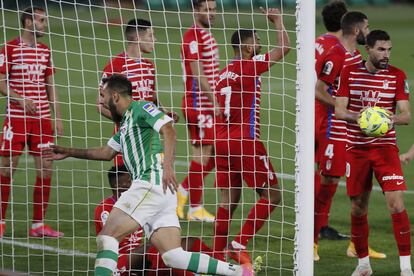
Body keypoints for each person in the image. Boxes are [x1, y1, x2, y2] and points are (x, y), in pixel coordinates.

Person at [48, 74, 253, 276]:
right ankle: (239, 272)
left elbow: (169, 130)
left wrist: (168, 167)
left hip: (149, 184)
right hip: (161, 193)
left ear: (116, 96)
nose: (101, 101)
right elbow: (107, 152)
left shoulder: (141, 108)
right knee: (173, 256)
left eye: (104, 96)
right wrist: (68, 151)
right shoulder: (127, 124)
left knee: (107, 237)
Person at [213, 7, 290, 265]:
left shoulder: (222, 73)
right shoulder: (250, 65)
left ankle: (215, 255)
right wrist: (278, 21)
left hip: (221, 142)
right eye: (256, 41)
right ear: (247, 48)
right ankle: (239, 243)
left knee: (227, 202)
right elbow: (284, 48)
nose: (260, 44)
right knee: (273, 195)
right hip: (244, 142)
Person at [335, 30, 413, 276]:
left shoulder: (397, 76)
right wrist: (356, 117)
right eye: (381, 49)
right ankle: (363, 265)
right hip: (356, 149)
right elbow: (339, 111)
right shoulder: (349, 73)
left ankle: (406, 268)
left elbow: (406, 114)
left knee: (396, 204)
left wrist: (392, 119)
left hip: (385, 148)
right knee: (358, 207)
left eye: (389, 49)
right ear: (367, 49)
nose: (386, 54)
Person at [313, 11, 376, 261]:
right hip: (334, 128)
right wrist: (343, 110)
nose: (369, 31)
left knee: (361, 187)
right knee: (328, 184)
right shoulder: (335, 55)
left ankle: (358, 247)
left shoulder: (357, 56)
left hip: (353, 130)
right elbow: (319, 90)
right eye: (367, 27)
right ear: (357, 31)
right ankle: (312, 243)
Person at [0, 6, 63, 238]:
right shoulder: (9, 49)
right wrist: (20, 98)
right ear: (28, 23)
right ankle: (0, 221)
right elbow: (1, 82)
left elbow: (50, 85)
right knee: (8, 168)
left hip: (42, 119)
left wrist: (57, 115)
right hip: (16, 119)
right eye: (41, 21)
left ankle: (38, 225)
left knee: (46, 168)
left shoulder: (45, 51)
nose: (45, 24)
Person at [95, 165, 213, 275]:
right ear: (118, 185)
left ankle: (222, 262)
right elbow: (109, 239)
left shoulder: (139, 204)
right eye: (132, 181)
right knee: (154, 247)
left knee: (188, 242)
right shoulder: (105, 208)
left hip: (140, 259)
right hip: (118, 261)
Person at [97, 18, 178, 167]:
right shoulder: (116, 66)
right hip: (126, 139)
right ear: (137, 38)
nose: (155, 39)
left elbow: (151, 97)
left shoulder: (149, 66)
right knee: (123, 187)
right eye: (150, 36)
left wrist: (163, 111)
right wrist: (129, 121)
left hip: (149, 141)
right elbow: (101, 105)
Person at [177, 0, 220, 222]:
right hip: (199, 104)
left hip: (207, 103)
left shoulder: (206, 35)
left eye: (214, 9)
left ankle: (183, 190)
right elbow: (197, 74)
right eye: (207, 10)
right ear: (196, 11)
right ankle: (195, 208)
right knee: (202, 156)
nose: (212, 13)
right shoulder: (193, 35)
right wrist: (215, 100)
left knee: (216, 154)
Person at [314, 0, 349, 242]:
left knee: (319, 171)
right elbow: (323, 86)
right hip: (325, 115)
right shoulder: (338, 49)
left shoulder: (317, 41)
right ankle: (319, 226)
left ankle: (315, 224)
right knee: (330, 173)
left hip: (309, 114)